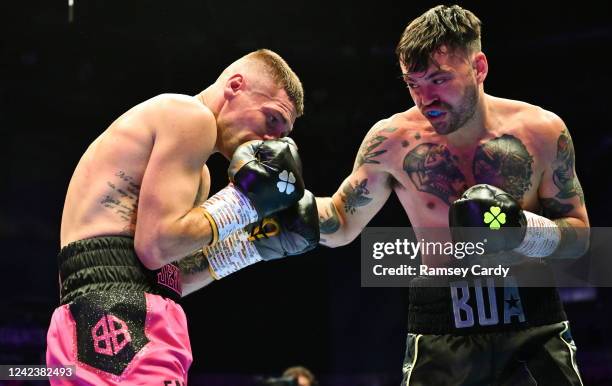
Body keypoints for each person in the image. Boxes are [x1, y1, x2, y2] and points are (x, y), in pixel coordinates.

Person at [316, 5, 589, 385]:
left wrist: (523, 229)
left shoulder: (542, 132)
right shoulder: (392, 141)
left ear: (479, 68)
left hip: (531, 321)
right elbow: (341, 221)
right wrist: (285, 206)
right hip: (441, 325)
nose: (425, 98)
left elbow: (579, 237)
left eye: (438, 80)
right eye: (413, 83)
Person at [46, 48, 319, 385]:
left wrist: (248, 247)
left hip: (89, 319)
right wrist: (246, 203)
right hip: (121, 316)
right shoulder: (191, 116)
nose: (271, 140)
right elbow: (156, 247)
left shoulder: (198, 172)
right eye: (272, 119)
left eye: (282, 135)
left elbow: (167, 273)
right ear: (235, 85)